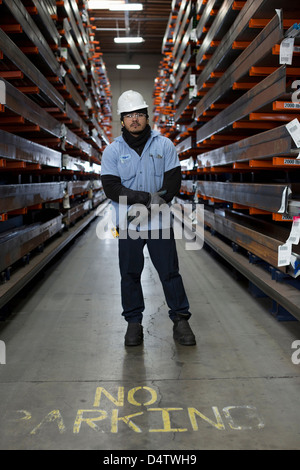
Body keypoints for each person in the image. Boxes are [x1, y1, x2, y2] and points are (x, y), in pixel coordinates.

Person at [101, 90, 196, 347]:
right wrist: (144, 199)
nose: (134, 119)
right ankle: (134, 323)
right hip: (129, 223)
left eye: (139, 114)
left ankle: (180, 320)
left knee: (169, 272)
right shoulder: (112, 151)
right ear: (122, 120)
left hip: (159, 223)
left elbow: (173, 182)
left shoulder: (164, 145)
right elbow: (111, 187)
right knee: (130, 274)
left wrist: (157, 202)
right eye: (129, 115)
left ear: (146, 116)